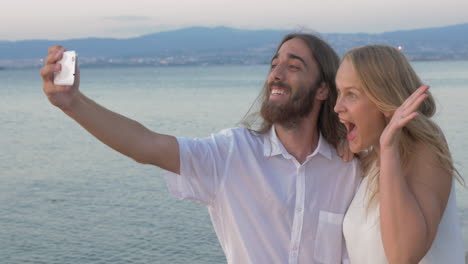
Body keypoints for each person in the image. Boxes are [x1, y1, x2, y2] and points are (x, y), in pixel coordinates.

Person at [40, 33, 361, 263]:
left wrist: (356, 138)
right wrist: (73, 104)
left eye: (293, 66)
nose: (275, 75)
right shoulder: (231, 154)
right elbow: (145, 145)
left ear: (322, 89)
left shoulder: (351, 167)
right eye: (274, 64)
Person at [334, 45, 465, 263]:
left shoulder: (425, 146)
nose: (337, 106)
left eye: (351, 95)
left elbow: (403, 256)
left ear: (384, 99)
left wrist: (388, 148)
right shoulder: (372, 161)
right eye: (339, 92)